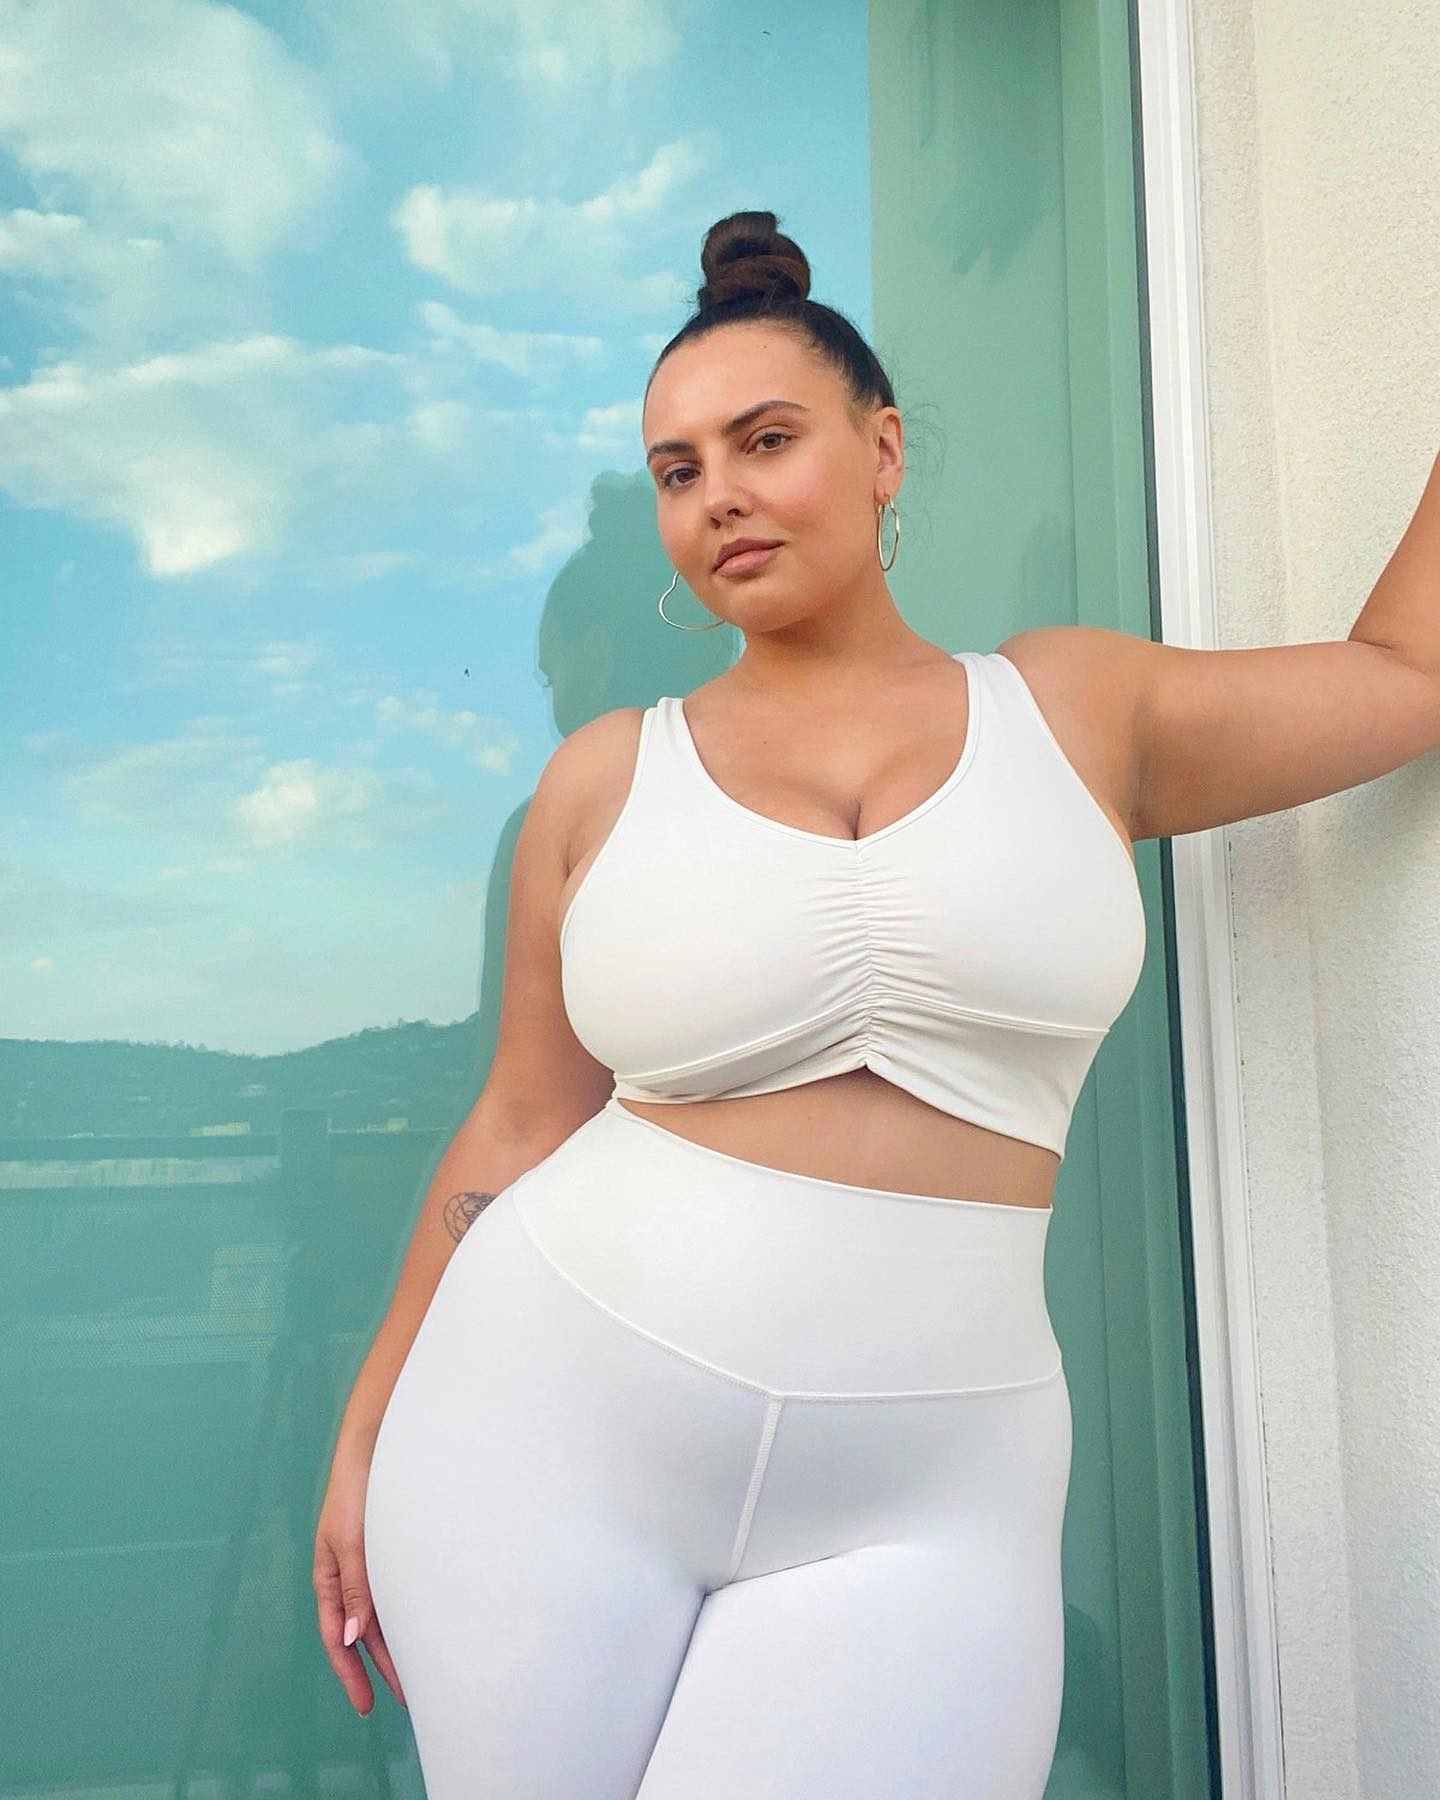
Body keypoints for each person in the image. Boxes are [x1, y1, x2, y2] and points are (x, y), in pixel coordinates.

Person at [313, 208, 1440, 1796]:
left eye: (765, 441)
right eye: (679, 470)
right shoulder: (604, 780)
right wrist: (370, 1430)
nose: (719, 495)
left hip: (927, 1494)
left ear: (884, 449)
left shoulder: (1077, 709)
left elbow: (1405, 677)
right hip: (540, 1431)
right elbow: (516, 1123)